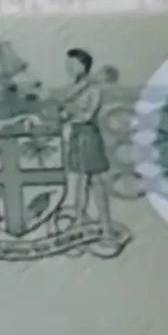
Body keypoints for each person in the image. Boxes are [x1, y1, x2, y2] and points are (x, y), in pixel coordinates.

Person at [59, 48, 115, 234]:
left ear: (84, 66)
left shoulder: (94, 89)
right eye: (68, 63)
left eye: (73, 63)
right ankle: (80, 218)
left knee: (95, 180)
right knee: (82, 181)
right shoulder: (74, 87)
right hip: (76, 136)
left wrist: (70, 111)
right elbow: (65, 106)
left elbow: (87, 116)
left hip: (89, 136)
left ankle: (105, 223)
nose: (69, 67)